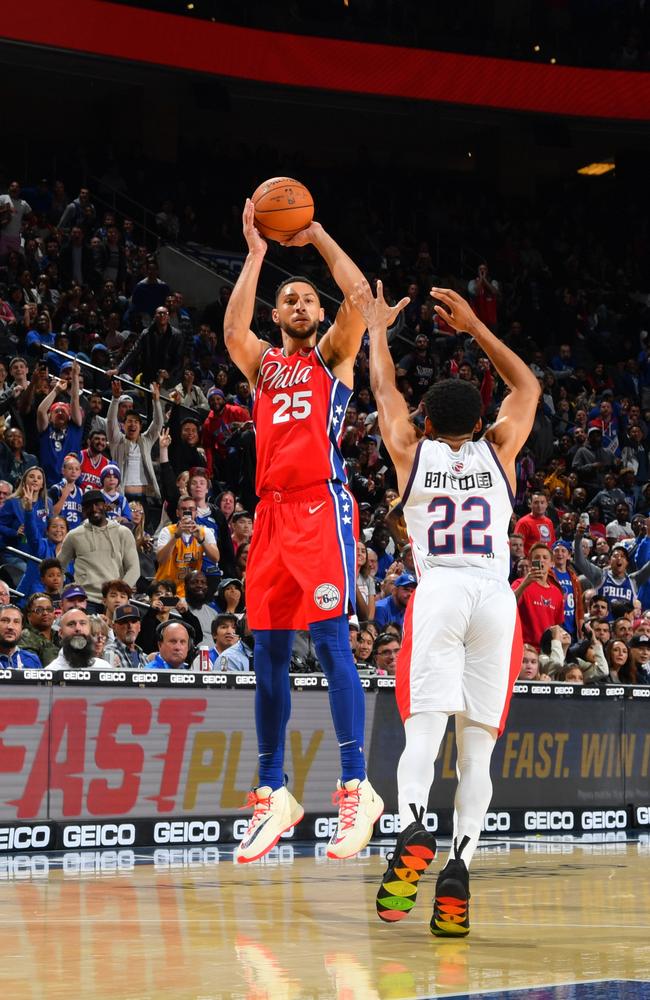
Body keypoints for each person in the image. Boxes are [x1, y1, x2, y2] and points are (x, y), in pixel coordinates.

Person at [357, 280, 538, 937]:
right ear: (479, 421)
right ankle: (459, 870)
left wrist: (378, 331)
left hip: (438, 591)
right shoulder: (502, 450)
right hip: (495, 596)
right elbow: (528, 388)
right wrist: (475, 331)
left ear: (428, 422)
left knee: (424, 733)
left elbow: (383, 391)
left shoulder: (412, 450)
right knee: (477, 754)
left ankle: (412, 828)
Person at [223, 200, 383, 864]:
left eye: (305, 300)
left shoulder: (333, 359)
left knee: (330, 642)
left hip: (320, 507)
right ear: (275, 313)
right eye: (285, 299)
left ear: (318, 318)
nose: (295, 303)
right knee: (268, 657)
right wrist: (257, 254)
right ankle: (273, 791)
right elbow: (232, 326)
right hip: (269, 515)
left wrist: (314, 233)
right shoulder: (263, 367)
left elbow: (360, 295)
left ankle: (355, 786)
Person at [57, 490, 139, 608]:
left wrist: (120, 594)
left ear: (105, 505)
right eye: (89, 505)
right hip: (85, 601)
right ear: (84, 510)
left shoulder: (123, 533)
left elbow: (134, 568)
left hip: (114, 602)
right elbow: (59, 566)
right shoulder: (74, 535)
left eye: (97, 504)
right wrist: (60, 593)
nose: (94, 508)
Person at [106, 379, 164, 506]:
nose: (132, 424)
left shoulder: (146, 440)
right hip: (122, 497)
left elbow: (158, 423)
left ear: (140, 426)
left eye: (136, 422)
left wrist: (156, 401)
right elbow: (110, 423)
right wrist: (115, 399)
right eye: (129, 422)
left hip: (145, 498)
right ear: (124, 425)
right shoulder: (117, 441)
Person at [154, 496, 220, 598]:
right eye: (184, 509)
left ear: (196, 512)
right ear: (177, 513)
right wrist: (176, 536)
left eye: (191, 509)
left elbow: (215, 558)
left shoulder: (204, 532)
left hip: (189, 591)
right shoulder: (167, 531)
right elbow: (161, 559)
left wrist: (202, 540)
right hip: (165, 590)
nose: (187, 512)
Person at [35, 363, 83, 486]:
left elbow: (75, 400)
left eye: (64, 411)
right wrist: (56, 390)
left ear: (70, 415)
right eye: (57, 411)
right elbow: (41, 410)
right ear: (50, 417)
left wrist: (75, 376)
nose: (61, 412)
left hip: (72, 483)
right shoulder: (45, 429)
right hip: (47, 483)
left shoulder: (75, 427)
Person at [512, 543, 565, 648]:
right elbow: (508, 605)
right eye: (537, 557)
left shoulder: (557, 592)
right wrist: (525, 583)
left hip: (548, 649)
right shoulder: (519, 583)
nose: (541, 560)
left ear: (551, 563)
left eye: (545, 557)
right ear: (530, 562)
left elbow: (557, 624)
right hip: (525, 648)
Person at [104, 603, 149, 670]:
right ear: (114, 627)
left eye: (133, 621)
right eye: (124, 621)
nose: (130, 626)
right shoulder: (108, 653)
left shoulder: (144, 656)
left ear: (139, 626)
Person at [0, 604, 42, 669]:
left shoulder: (32, 660)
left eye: (16, 622)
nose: (10, 627)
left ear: (21, 627)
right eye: (5, 620)